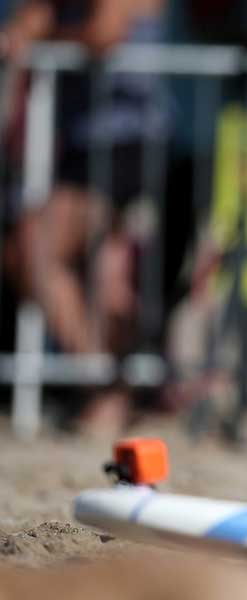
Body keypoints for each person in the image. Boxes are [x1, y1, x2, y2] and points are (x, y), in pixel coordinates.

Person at [0, 0, 168, 435]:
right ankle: (110, 390)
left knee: (37, 248)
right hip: (94, 144)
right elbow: (34, 17)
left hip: (122, 141)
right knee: (103, 278)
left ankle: (104, 387)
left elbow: (104, 32)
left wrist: (39, 41)